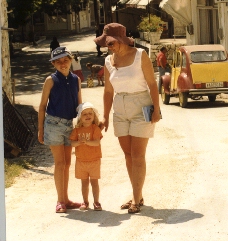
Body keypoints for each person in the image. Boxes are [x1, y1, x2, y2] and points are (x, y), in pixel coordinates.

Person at [94, 23, 161, 214]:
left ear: (121, 40)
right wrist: (105, 116)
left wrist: (156, 109)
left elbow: (152, 84)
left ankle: (136, 198)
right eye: (106, 44)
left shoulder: (141, 55)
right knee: (128, 155)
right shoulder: (108, 61)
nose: (109, 47)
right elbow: (108, 91)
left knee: (138, 154)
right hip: (120, 107)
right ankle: (136, 194)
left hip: (141, 104)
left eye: (111, 42)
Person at [38, 46, 82, 213]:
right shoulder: (50, 80)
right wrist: (40, 129)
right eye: (58, 62)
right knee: (60, 163)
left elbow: (79, 105)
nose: (62, 64)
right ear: (53, 64)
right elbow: (42, 106)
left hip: (69, 125)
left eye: (65, 60)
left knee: (68, 163)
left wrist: (82, 125)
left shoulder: (76, 80)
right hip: (53, 125)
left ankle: (66, 198)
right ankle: (60, 200)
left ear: (71, 60)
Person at [70, 102, 103, 211]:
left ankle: (96, 202)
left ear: (94, 116)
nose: (88, 116)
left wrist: (86, 141)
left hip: (94, 160)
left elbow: (96, 142)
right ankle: (85, 202)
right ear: (80, 117)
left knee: (94, 182)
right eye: (84, 114)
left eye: (90, 114)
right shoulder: (77, 130)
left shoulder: (95, 129)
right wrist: (78, 142)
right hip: (81, 160)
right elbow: (72, 143)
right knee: (84, 183)